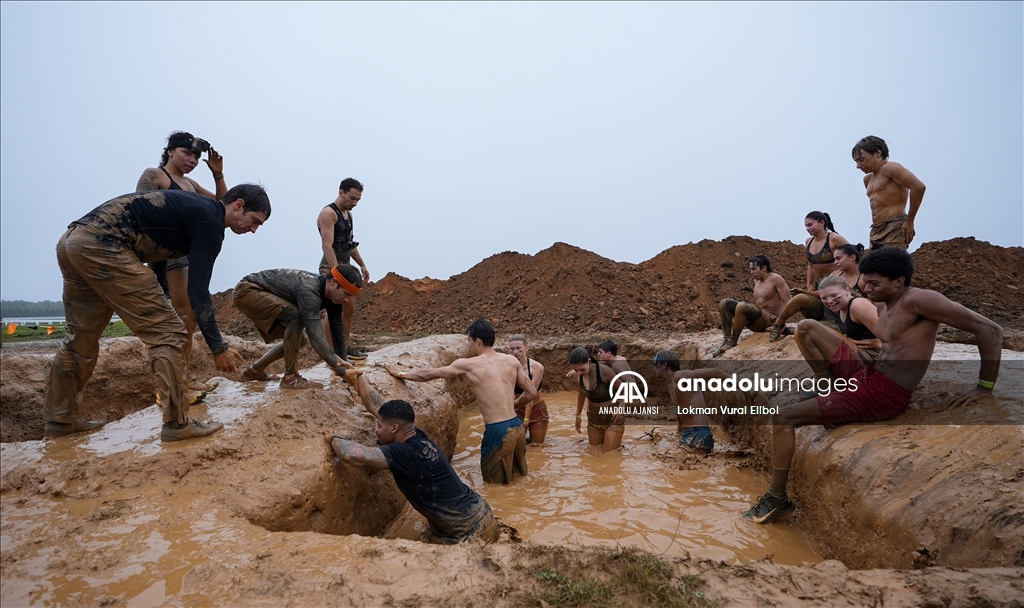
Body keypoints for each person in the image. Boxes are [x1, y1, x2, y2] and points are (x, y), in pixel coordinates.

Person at [743, 247, 1002, 524]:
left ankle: (776, 498)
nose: (866, 288)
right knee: (791, 401)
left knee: (783, 418)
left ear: (899, 281)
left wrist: (983, 387)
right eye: (865, 282)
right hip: (870, 377)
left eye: (874, 283)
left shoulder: (921, 300)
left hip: (884, 393)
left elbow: (989, 329)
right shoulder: (885, 301)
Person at [43, 185, 270, 442]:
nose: (253, 230)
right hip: (106, 244)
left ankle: (61, 420)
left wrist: (162, 292)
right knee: (171, 333)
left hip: (73, 241)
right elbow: (197, 291)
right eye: (254, 222)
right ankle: (177, 424)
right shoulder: (211, 222)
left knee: (80, 339)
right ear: (238, 205)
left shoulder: (194, 209)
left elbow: (157, 247)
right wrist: (218, 347)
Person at [326, 368, 498, 544]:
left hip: (469, 530)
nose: (375, 430)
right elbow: (378, 406)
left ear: (394, 428)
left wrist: (332, 438)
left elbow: (353, 455)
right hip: (480, 511)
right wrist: (358, 378)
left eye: (378, 426)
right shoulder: (415, 433)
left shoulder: (404, 453)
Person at [387, 319, 537, 484]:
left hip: (497, 432)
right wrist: (513, 405)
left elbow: (428, 374)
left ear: (478, 341)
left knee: (495, 487)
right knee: (520, 481)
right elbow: (531, 392)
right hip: (516, 427)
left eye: (469, 341)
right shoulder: (512, 361)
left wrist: (401, 374)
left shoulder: (469, 364)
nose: (468, 345)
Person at [137, 131, 227, 403]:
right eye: (187, 154)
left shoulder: (190, 184)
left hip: (186, 253)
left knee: (187, 318)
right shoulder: (156, 176)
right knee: (183, 313)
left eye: (197, 157)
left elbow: (222, 207)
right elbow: (140, 210)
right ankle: (171, 386)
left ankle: (183, 378)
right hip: (164, 253)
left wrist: (218, 174)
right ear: (170, 152)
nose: (192, 160)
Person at [233, 265, 360, 389]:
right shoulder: (310, 292)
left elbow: (337, 332)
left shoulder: (333, 297)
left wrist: (345, 367)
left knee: (301, 340)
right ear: (333, 282)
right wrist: (342, 371)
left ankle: (253, 372)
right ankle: (290, 379)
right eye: (346, 294)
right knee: (296, 317)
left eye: (351, 296)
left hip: (257, 291)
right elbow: (316, 339)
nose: (348, 300)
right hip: (248, 290)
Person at [769, 243, 867, 342]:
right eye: (834, 259)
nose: (835, 262)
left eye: (838, 258)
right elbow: (822, 293)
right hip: (824, 310)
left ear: (852, 257)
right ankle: (778, 325)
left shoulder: (864, 279)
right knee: (801, 298)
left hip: (841, 320)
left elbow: (871, 305)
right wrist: (805, 292)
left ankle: (793, 330)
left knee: (821, 329)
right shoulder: (835, 274)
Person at [317, 178, 371, 360]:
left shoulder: (349, 215)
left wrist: (362, 264)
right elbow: (327, 245)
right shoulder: (328, 214)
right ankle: (329, 352)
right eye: (352, 198)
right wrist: (336, 273)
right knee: (333, 310)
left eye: (357, 200)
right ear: (341, 192)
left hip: (346, 267)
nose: (354, 203)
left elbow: (350, 244)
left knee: (349, 308)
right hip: (331, 268)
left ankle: (344, 348)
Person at [652, 350, 745, 455]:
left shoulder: (680, 376)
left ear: (664, 365)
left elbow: (715, 372)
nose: (653, 367)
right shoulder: (670, 386)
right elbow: (679, 409)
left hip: (697, 433)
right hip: (691, 434)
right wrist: (679, 430)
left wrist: (743, 389)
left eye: (655, 364)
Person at [795, 274, 882, 381]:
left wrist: (879, 344)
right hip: (861, 355)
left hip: (871, 363)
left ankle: (826, 383)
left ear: (847, 290)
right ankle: (825, 379)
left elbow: (893, 338)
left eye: (834, 295)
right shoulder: (842, 309)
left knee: (805, 326)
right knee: (799, 330)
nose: (829, 301)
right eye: (824, 298)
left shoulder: (858, 305)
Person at [852, 136, 926, 251]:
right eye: (856, 161)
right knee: (875, 267)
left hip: (894, 226)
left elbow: (918, 187)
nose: (858, 166)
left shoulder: (890, 168)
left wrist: (910, 221)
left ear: (877, 153)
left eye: (861, 160)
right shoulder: (868, 179)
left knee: (893, 265)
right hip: (876, 230)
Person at [713, 255, 792, 357]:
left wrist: (779, 324)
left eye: (754, 269)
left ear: (764, 268)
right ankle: (727, 339)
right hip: (758, 320)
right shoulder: (756, 281)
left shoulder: (776, 279)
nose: (751, 272)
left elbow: (788, 302)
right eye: (750, 269)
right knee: (725, 302)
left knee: (742, 305)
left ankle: (733, 341)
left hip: (771, 320)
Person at [569, 347, 624, 452]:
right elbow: (581, 394)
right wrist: (578, 415)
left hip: (612, 418)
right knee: (594, 453)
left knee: (609, 455)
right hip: (593, 420)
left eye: (582, 369)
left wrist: (621, 407)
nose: (579, 373)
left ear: (589, 362)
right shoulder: (578, 375)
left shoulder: (604, 371)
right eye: (576, 370)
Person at [508, 334, 547, 444]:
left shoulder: (536, 367)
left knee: (537, 447)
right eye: (512, 349)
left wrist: (526, 418)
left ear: (526, 347)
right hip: (517, 409)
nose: (515, 352)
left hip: (537, 409)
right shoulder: (507, 367)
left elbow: (530, 394)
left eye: (518, 348)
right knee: (517, 446)